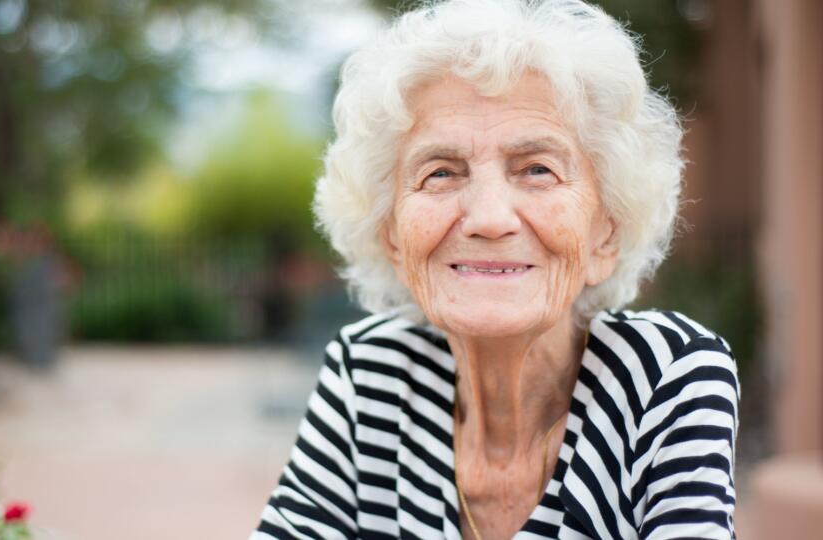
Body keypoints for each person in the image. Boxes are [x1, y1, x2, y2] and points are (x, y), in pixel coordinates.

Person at [252, 0, 739, 538]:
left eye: (537, 169)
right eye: (441, 173)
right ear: (391, 235)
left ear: (606, 232)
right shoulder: (368, 374)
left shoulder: (666, 377)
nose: (488, 218)